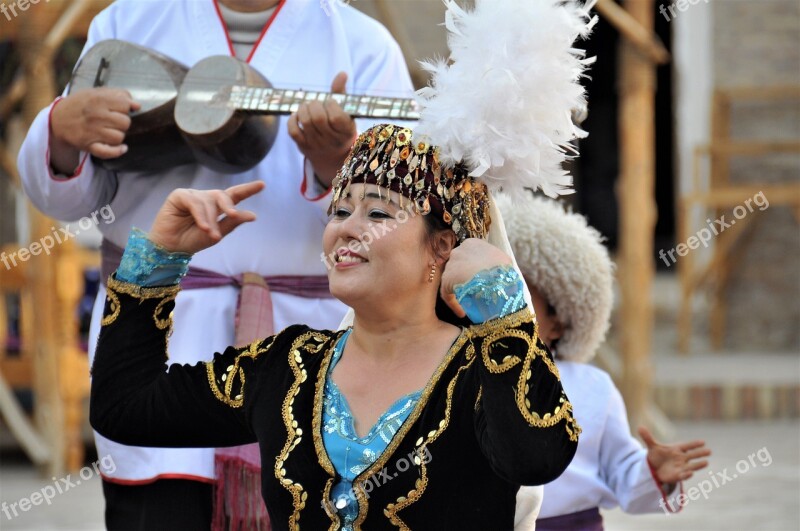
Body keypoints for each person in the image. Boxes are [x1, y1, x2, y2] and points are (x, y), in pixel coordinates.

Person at [16, 0, 413, 528]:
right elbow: (68, 199)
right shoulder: (127, 20)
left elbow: (400, 223)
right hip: (158, 338)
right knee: (157, 508)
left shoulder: (363, 43)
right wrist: (61, 133)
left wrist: (336, 164)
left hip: (312, 351)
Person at [89, 121, 582, 529]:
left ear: (442, 247)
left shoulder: (484, 372)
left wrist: (503, 309)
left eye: (378, 213)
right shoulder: (287, 365)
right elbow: (125, 408)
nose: (346, 227)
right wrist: (160, 256)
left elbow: (534, 457)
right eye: (340, 210)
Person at [497, 193, 711, 531]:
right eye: (491, 295)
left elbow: (622, 470)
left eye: (520, 297)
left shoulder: (591, 387)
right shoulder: (459, 381)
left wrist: (653, 471)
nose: (504, 311)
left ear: (559, 319)